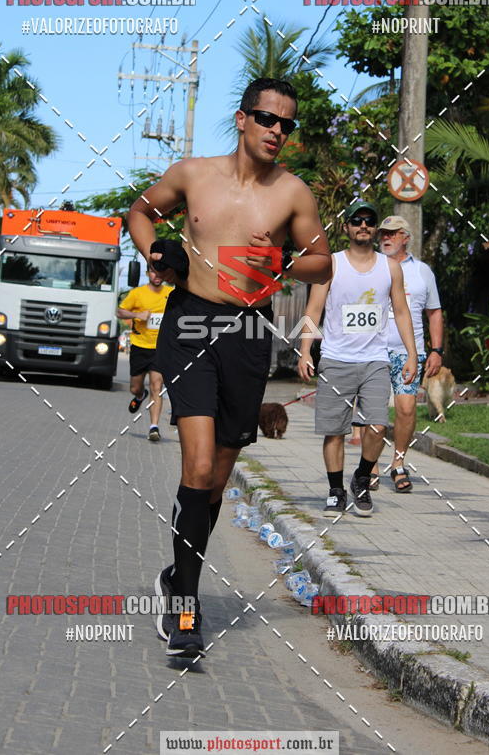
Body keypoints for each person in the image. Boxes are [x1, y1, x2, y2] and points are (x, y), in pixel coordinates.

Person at [127, 77, 332, 658]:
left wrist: (287, 259)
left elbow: (323, 265)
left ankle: (175, 576)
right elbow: (139, 212)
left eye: (287, 125)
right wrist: (155, 254)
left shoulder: (293, 193)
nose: (278, 132)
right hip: (191, 322)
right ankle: (186, 608)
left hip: (247, 333)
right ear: (242, 119)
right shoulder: (193, 174)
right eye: (269, 120)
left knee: (217, 478)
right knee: (195, 465)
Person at [298, 201, 417, 517]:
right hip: (336, 359)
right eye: (357, 221)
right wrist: (306, 349)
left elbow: (402, 312)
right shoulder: (332, 265)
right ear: (346, 227)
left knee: (377, 426)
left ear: (375, 228)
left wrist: (412, 354)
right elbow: (313, 310)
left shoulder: (389, 267)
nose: (363, 225)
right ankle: (336, 491)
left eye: (369, 221)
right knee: (334, 431)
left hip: (375, 360)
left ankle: (362, 478)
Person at [373, 214, 444, 492]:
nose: (386, 238)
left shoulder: (422, 271)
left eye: (392, 233)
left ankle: (398, 463)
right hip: (374, 351)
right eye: (383, 234)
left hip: (408, 352)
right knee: (374, 414)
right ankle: (371, 466)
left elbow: (434, 312)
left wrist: (437, 350)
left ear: (406, 237)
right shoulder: (371, 266)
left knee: (406, 408)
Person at [117, 267, 174, 441]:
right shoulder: (137, 293)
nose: (157, 276)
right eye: (154, 272)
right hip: (140, 346)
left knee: (157, 385)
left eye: (160, 272)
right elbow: (119, 312)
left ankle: (154, 427)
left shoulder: (171, 293)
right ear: (148, 273)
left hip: (161, 347)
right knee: (135, 387)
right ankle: (141, 395)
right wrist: (137, 314)